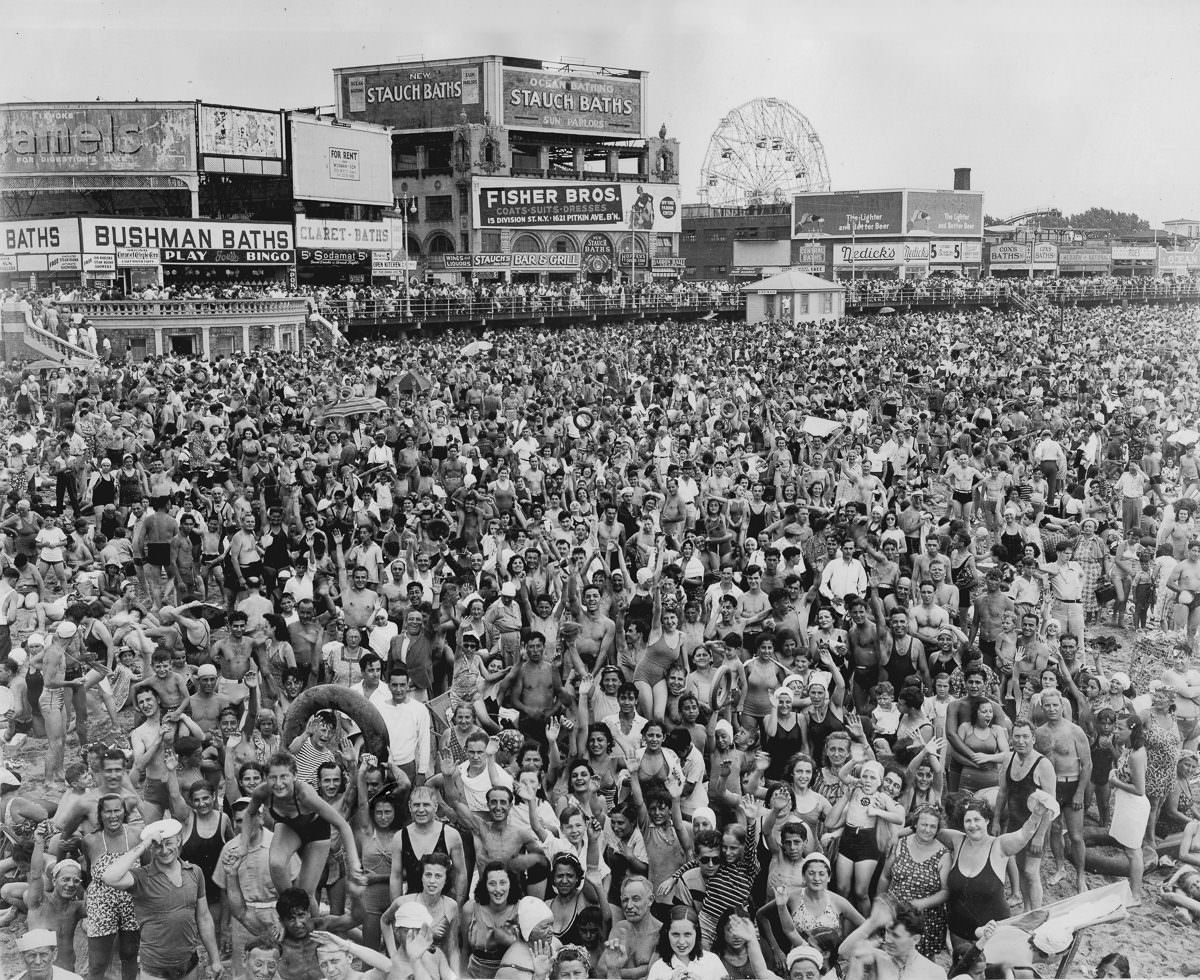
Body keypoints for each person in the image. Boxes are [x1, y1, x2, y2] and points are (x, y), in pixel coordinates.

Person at [101, 818, 224, 980]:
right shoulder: (142, 877)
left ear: (179, 840)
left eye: (169, 843)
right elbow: (109, 877)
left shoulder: (194, 872)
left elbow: (204, 917)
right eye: (158, 845)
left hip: (189, 963)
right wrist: (144, 844)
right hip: (155, 969)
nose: (164, 850)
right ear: (151, 848)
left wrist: (215, 959)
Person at [941, 795, 1052, 955]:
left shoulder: (999, 845)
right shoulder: (957, 840)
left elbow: (1024, 834)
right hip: (959, 930)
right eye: (968, 821)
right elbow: (928, 829)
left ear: (987, 820)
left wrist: (1036, 814)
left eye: (977, 819)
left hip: (994, 932)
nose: (972, 825)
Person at [243, 750, 364, 896]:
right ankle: (290, 906)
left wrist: (354, 863)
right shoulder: (262, 792)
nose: (278, 783)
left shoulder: (305, 795)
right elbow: (249, 813)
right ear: (266, 778)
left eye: (284, 777)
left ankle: (305, 910)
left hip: (316, 832)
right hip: (289, 827)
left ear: (294, 776)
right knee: (276, 864)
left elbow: (342, 825)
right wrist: (243, 846)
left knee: (307, 893)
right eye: (272, 778)